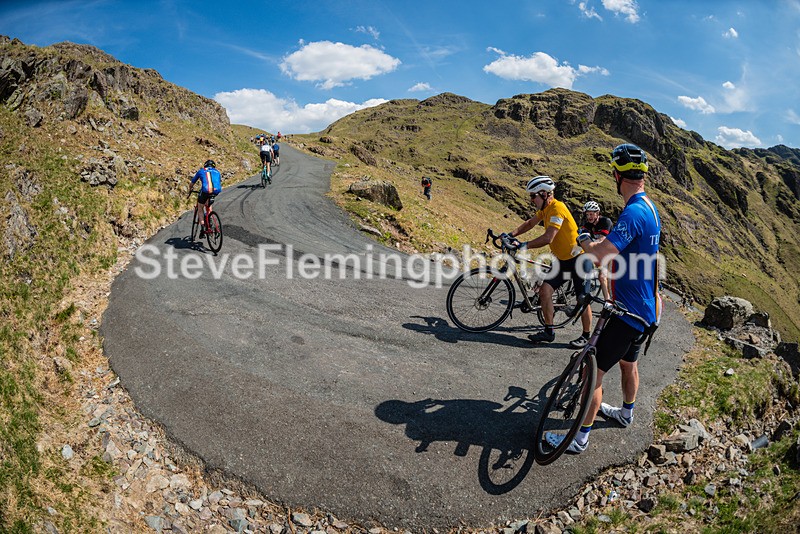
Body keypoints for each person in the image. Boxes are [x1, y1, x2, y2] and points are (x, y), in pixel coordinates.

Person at [547, 143, 662, 454]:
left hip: (628, 313)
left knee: (591, 374)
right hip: (647, 311)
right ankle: (626, 414)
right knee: (628, 364)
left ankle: (578, 438)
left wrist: (583, 240)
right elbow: (635, 253)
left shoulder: (633, 212)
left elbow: (599, 256)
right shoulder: (650, 208)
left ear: (616, 174)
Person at [506, 175, 593, 348]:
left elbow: (548, 237)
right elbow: (530, 223)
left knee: (582, 299)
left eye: (533, 196)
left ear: (545, 194)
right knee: (545, 291)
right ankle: (549, 331)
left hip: (579, 258)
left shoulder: (557, 208)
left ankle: (587, 336)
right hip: (562, 260)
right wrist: (511, 235)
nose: (531, 200)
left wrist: (524, 245)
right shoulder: (546, 209)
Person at [580, 200, 613, 301]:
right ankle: (607, 301)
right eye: (587, 214)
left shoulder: (605, 222)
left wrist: (589, 244)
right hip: (599, 251)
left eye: (591, 214)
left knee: (605, 278)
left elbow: (602, 239)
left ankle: (610, 301)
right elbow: (582, 238)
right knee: (601, 276)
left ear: (597, 213)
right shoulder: (587, 225)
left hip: (612, 251)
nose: (589, 217)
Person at [191, 159, 222, 237]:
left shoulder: (201, 171)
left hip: (205, 190)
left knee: (200, 208)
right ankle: (211, 220)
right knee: (208, 205)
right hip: (216, 190)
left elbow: (192, 183)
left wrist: (190, 190)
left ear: (205, 165)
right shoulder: (217, 172)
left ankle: (202, 228)